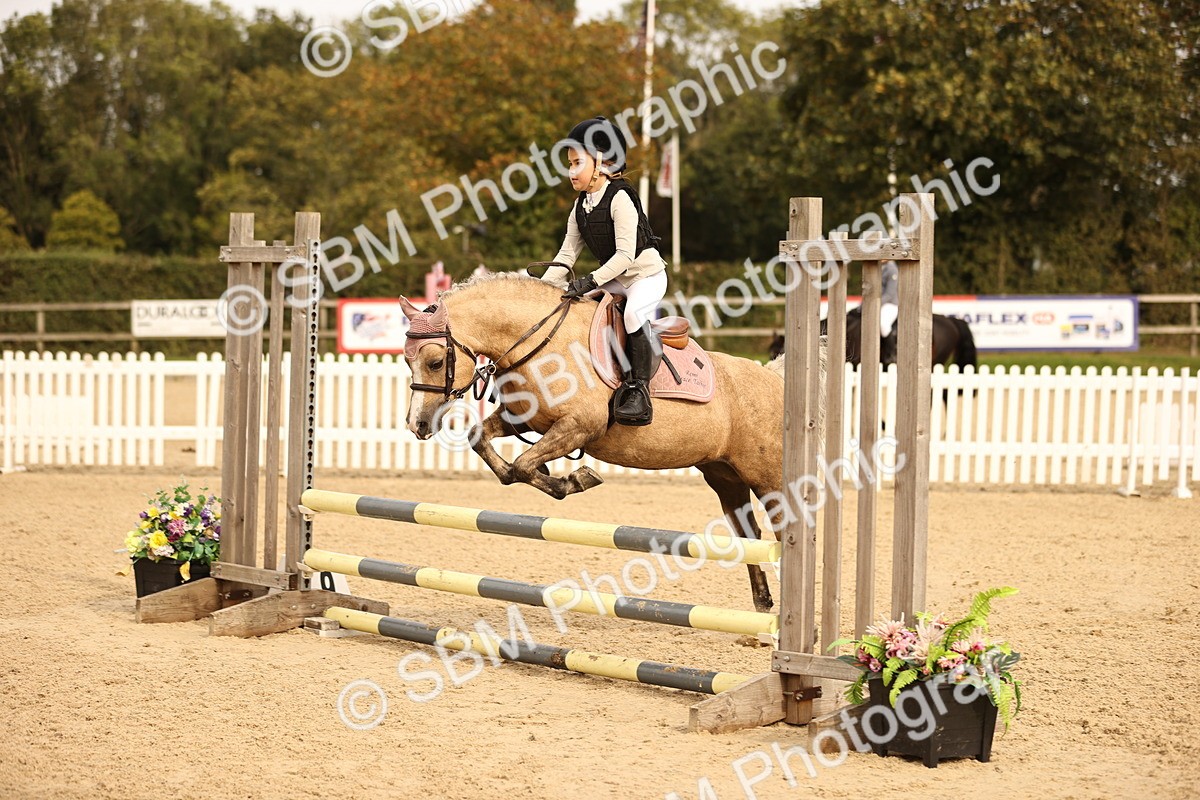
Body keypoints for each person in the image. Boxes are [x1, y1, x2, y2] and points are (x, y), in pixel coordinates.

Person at [541, 116, 668, 426]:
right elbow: (566, 255)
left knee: (632, 315)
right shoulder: (580, 206)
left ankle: (638, 391)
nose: (570, 171)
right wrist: (537, 290)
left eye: (576, 163)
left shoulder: (620, 197)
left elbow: (626, 255)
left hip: (645, 277)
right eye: (569, 164)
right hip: (615, 281)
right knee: (584, 315)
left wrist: (590, 281)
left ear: (600, 162)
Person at [879, 259, 899, 365]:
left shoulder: (892, 269)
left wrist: (875, 304)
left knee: (883, 325)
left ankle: (891, 354)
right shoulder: (878, 267)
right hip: (878, 303)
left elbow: (889, 293)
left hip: (890, 304)